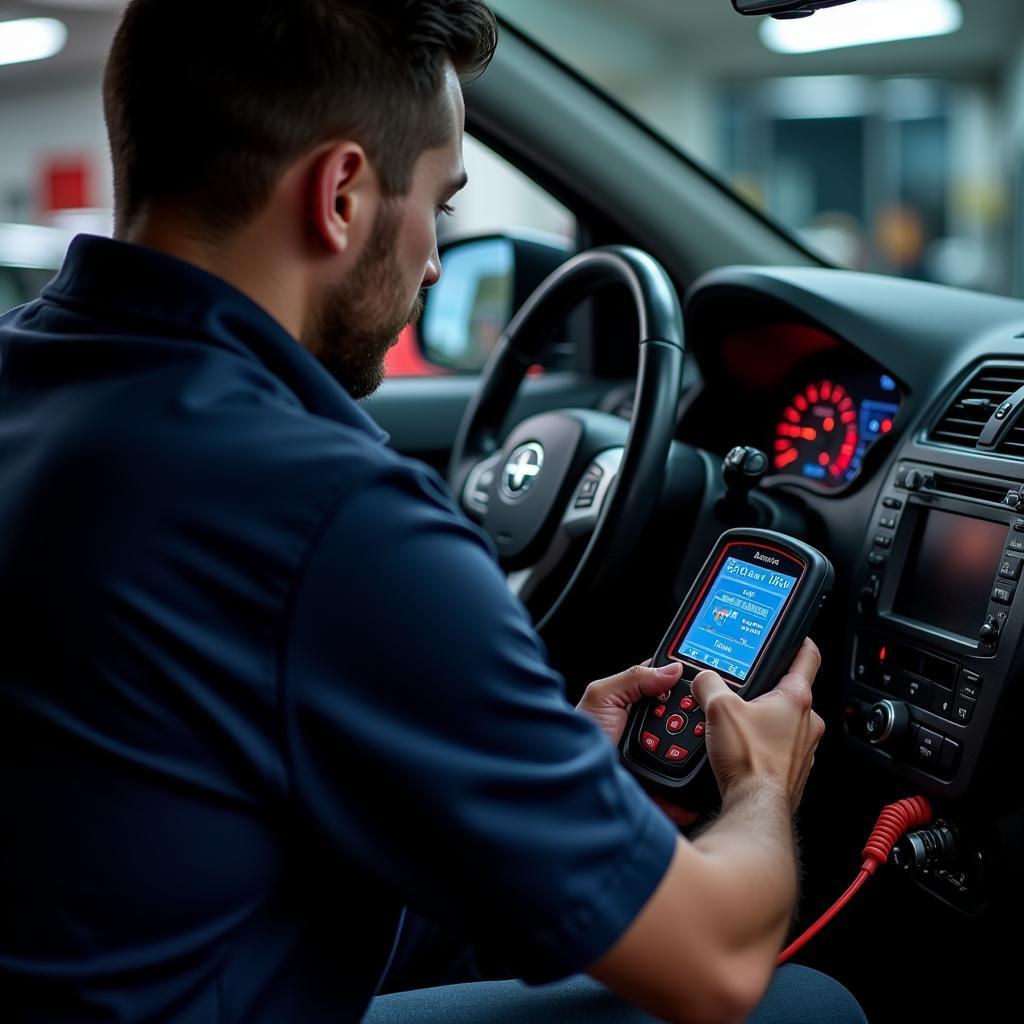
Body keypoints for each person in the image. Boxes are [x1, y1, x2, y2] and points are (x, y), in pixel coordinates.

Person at [0, 2, 867, 1021]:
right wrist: (763, 780)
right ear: (341, 194)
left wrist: (552, 766)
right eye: (441, 207)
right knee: (802, 1003)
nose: (435, 262)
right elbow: (713, 958)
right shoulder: (331, 518)